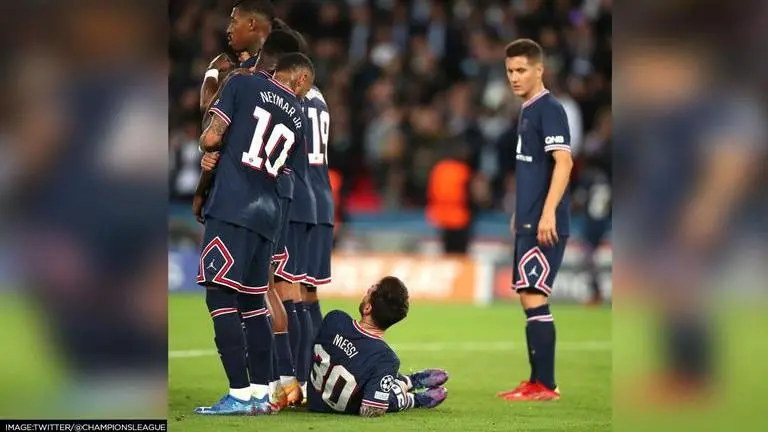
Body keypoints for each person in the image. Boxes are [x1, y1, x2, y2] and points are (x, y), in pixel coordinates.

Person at [194, 53, 315, 415]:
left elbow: (212, 137)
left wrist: (208, 151)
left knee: (220, 297)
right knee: (252, 302)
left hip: (233, 206)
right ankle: (262, 394)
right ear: (299, 79)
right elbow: (285, 175)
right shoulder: (299, 120)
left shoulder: (243, 85)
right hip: (268, 215)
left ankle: (239, 394)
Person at [497, 39, 573, 401]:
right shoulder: (528, 110)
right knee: (529, 297)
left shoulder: (549, 108)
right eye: (510, 71)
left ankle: (545, 385)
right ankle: (536, 381)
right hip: (530, 220)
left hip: (545, 223)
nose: (514, 77)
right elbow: (534, 170)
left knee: (534, 295)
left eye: (521, 70)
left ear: (539, 70)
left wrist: (547, 213)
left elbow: (564, 162)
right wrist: (522, 210)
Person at [307, 276, 449, 417]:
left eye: (369, 292)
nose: (368, 289)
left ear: (367, 308)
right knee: (384, 391)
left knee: (372, 374)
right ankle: (412, 397)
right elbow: (371, 410)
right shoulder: (385, 358)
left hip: (315, 404)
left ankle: (408, 381)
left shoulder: (334, 319)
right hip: (347, 405)